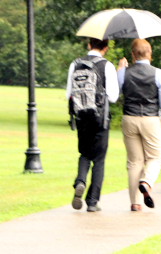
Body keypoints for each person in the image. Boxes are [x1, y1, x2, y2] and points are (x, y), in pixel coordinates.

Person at [117, 39, 161, 211]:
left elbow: (114, 93)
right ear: (150, 54)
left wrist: (119, 69)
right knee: (155, 157)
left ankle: (135, 203)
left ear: (133, 55)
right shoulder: (158, 74)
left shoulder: (123, 72)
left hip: (129, 117)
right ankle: (146, 182)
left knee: (134, 162)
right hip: (150, 119)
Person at [67, 38, 120, 212]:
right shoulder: (107, 66)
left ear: (89, 45)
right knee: (98, 159)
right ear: (105, 48)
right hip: (100, 119)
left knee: (84, 153)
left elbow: (69, 94)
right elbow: (113, 97)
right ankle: (92, 202)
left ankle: (80, 181)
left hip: (81, 117)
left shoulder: (75, 64)